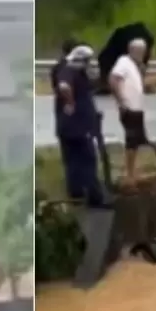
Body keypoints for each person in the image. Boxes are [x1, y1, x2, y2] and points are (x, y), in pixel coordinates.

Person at [53, 44, 105, 207]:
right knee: (88, 161)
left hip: (69, 128)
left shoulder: (75, 72)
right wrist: (71, 102)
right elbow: (64, 87)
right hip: (77, 128)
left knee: (72, 163)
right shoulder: (69, 71)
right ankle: (94, 199)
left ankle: (76, 196)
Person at [109, 38, 149, 187]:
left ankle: (133, 171)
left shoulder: (134, 65)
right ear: (132, 50)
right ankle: (129, 174)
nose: (142, 55)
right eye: (140, 52)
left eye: (143, 52)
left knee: (137, 141)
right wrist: (121, 102)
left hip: (137, 108)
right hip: (129, 108)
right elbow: (113, 80)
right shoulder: (124, 61)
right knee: (131, 141)